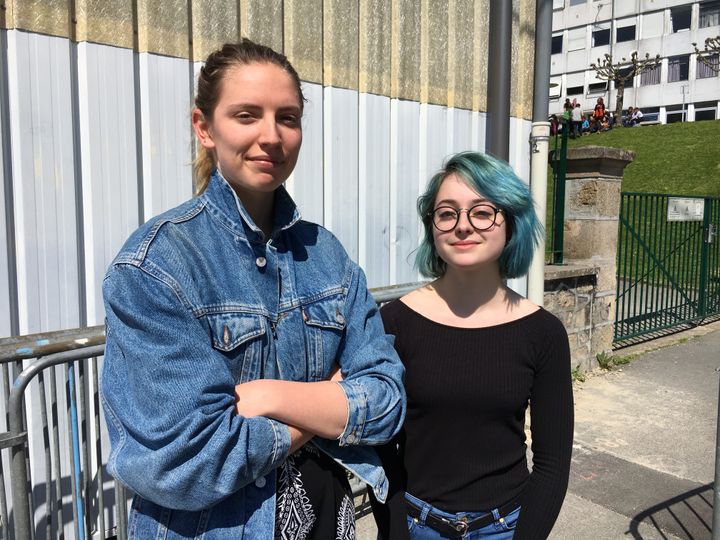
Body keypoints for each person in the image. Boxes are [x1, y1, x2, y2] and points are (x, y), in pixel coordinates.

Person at [101, 39, 406, 539]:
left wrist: (268, 395)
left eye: (287, 117)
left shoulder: (327, 256)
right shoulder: (156, 266)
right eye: (247, 115)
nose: (271, 136)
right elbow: (189, 461)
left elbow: (387, 399)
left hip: (330, 520)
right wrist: (324, 401)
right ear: (204, 127)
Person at [372, 152, 574, 540]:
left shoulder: (543, 333)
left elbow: (552, 463)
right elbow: (382, 447)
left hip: (505, 528)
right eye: (447, 213)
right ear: (432, 226)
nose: (463, 226)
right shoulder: (394, 322)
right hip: (416, 526)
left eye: (482, 212)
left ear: (511, 222)